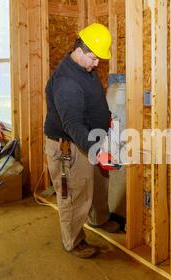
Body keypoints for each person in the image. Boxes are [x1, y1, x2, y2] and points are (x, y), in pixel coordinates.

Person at [44, 23, 120, 259]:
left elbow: (93, 101)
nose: (97, 63)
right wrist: (95, 151)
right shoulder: (66, 82)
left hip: (91, 141)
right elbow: (73, 124)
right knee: (74, 195)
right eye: (94, 58)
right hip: (71, 147)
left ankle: (99, 219)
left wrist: (106, 120)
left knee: (98, 185)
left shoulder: (84, 69)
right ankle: (74, 241)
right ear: (80, 49)